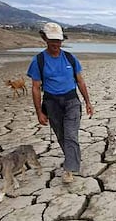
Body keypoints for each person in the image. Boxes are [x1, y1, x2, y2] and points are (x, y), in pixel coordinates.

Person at [27, 22, 94, 183]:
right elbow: (36, 88)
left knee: (71, 135)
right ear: (44, 38)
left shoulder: (70, 58)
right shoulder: (39, 61)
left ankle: (69, 169)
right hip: (52, 103)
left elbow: (80, 81)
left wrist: (88, 102)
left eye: (59, 40)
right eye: (52, 40)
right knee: (62, 136)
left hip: (72, 101)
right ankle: (72, 158)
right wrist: (39, 112)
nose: (56, 44)